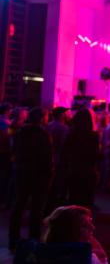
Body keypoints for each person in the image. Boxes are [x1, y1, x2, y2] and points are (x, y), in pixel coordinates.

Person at [8, 107, 53, 251]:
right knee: (36, 209)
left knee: (18, 206)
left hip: (22, 173)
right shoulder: (43, 134)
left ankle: (13, 239)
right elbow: (47, 158)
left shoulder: (21, 132)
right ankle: (34, 241)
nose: (47, 118)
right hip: (39, 175)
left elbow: (14, 151)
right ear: (41, 118)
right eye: (46, 116)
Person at [62, 109, 100, 208]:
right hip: (88, 170)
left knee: (74, 197)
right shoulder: (93, 136)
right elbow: (96, 155)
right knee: (86, 198)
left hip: (74, 168)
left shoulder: (71, 134)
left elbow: (65, 152)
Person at [42, 205, 108, 264]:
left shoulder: (42, 253)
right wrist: (103, 259)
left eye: (90, 223)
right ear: (68, 232)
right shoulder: (87, 258)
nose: (93, 228)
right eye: (84, 225)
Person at [46, 107, 70, 209]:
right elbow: (65, 145)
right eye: (65, 114)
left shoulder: (47, 126)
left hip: (48, 158)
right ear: (61, 115)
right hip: (59, 159)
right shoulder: (64, 128)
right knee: (56, 184)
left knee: (48, 185)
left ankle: (47, 205)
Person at [0, 103, 12, 208]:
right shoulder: (5, 122)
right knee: (4, 176)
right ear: (7, 111)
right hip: (4, 151)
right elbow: (8, 136)